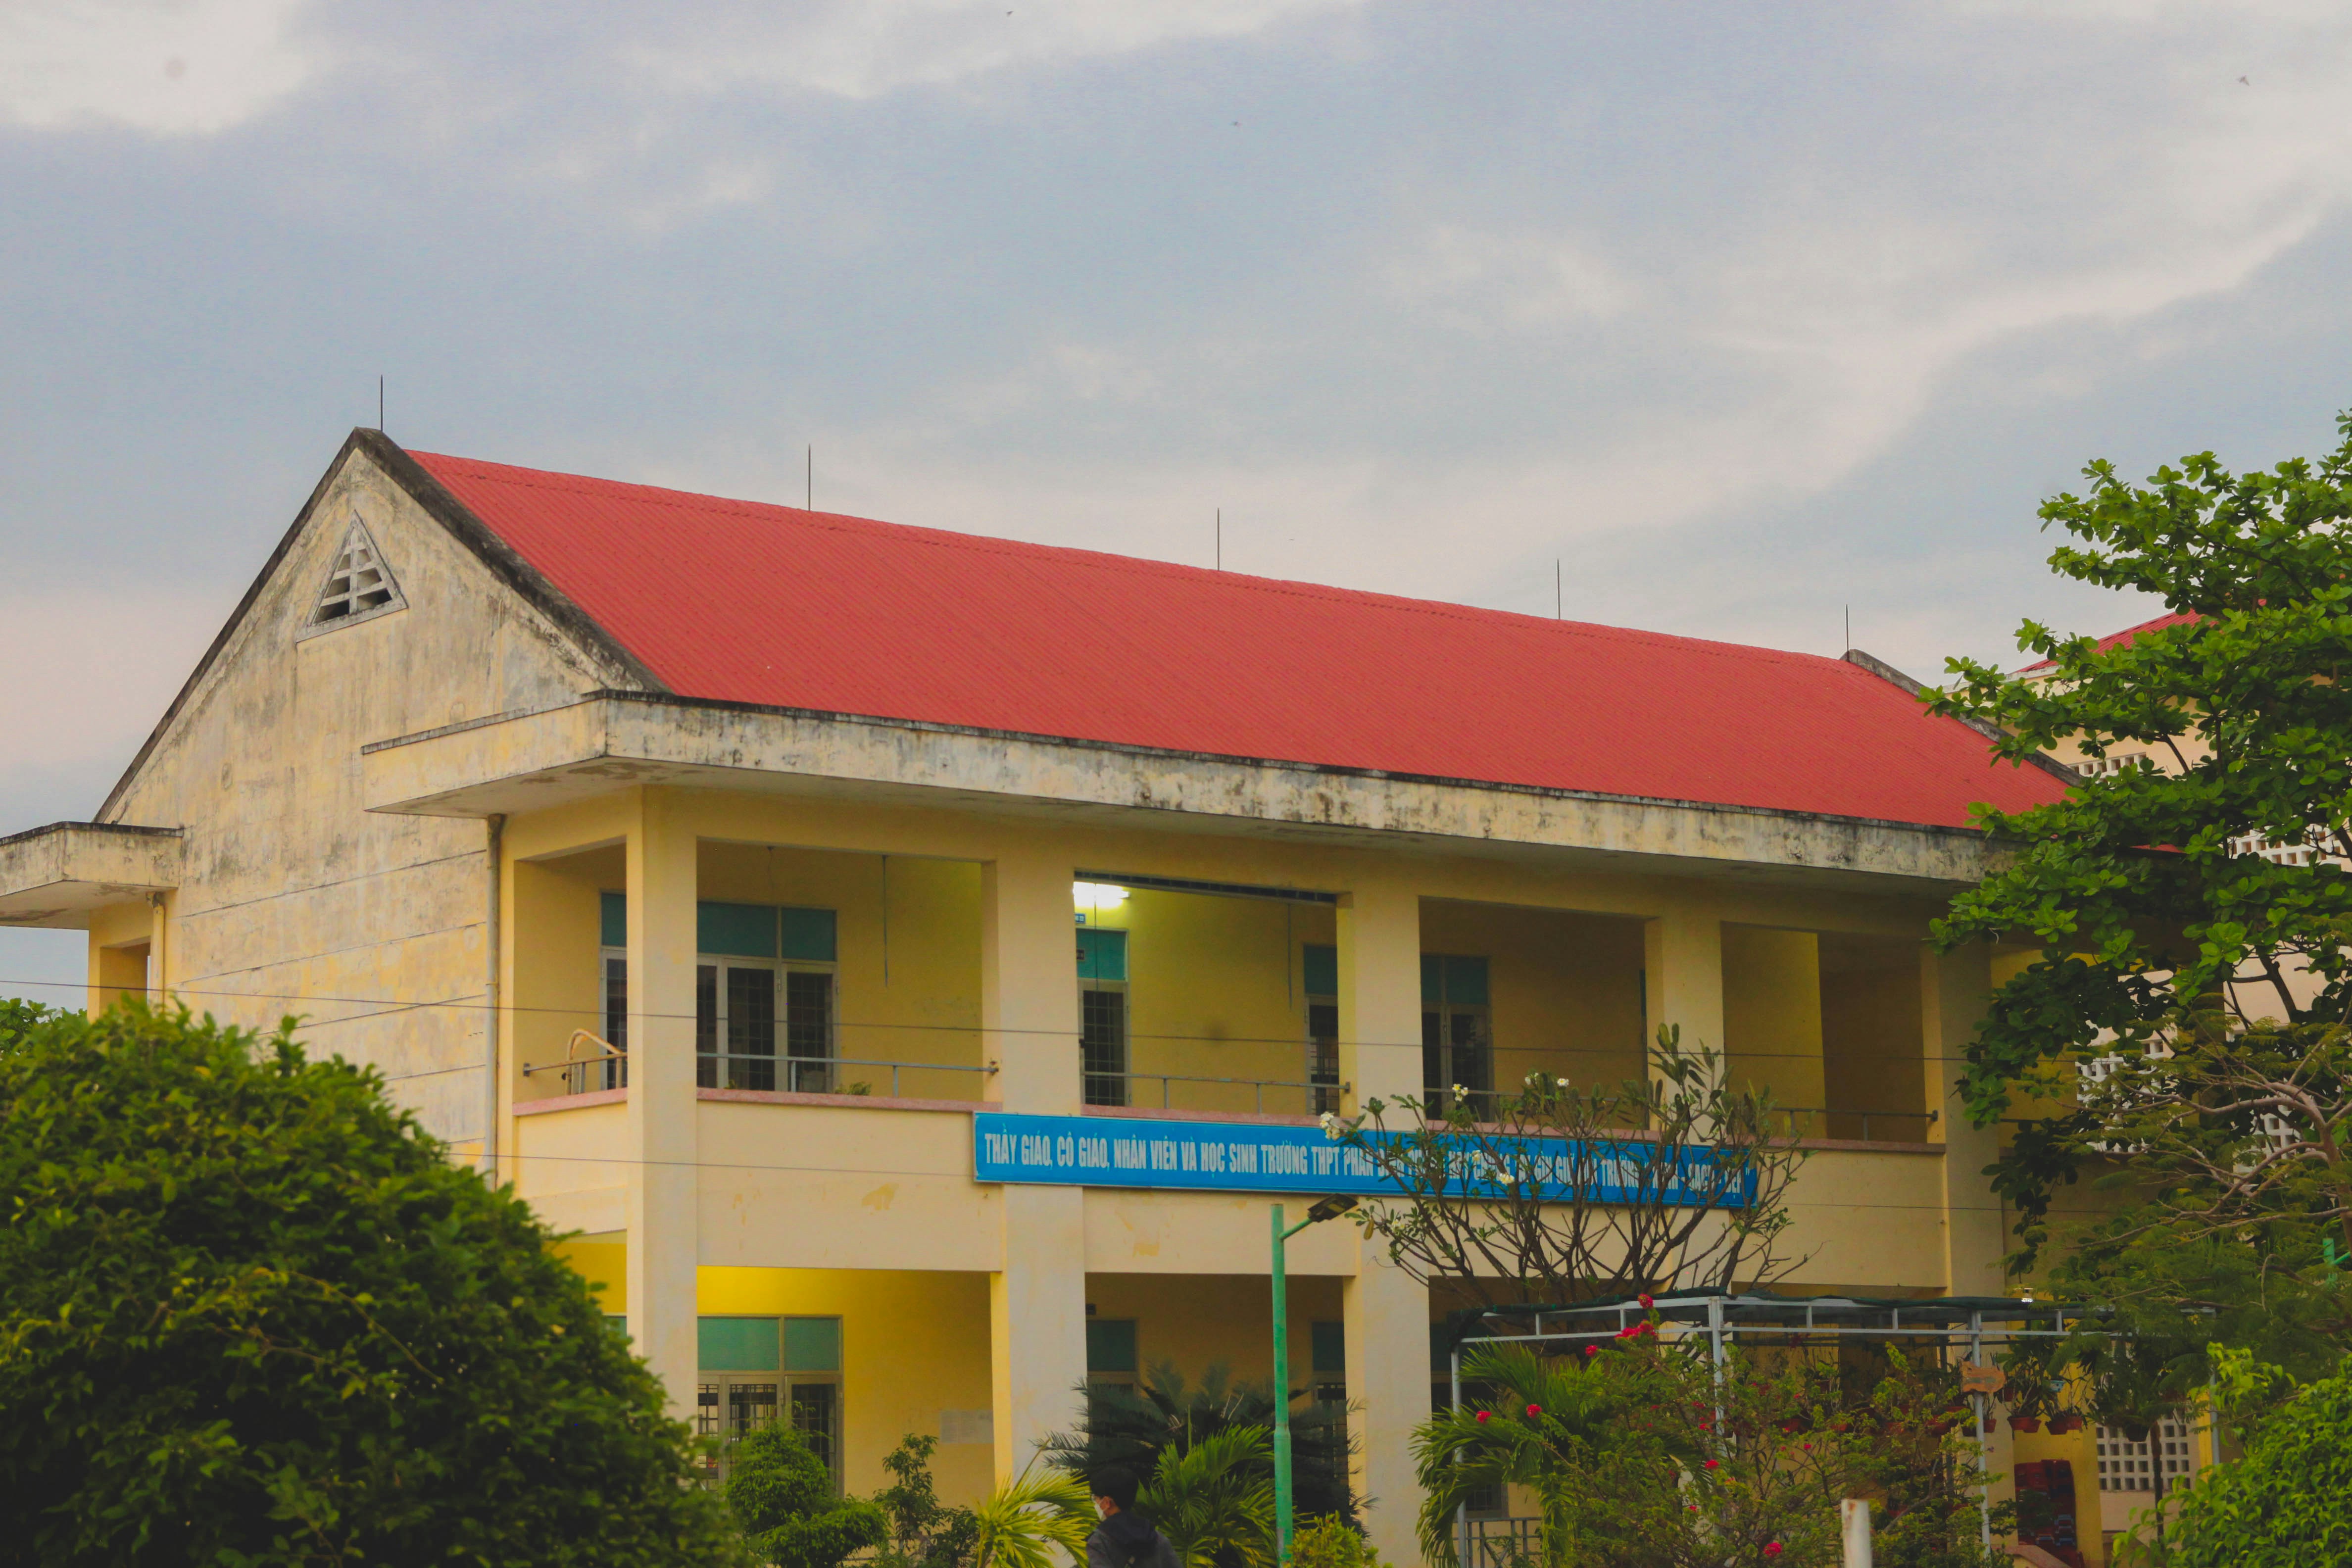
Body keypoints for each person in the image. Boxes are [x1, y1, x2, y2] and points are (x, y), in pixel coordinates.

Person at [1087, 1470, 1182, 1568]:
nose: (1095, 1503)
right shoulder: (1156, 1536)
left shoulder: (1099, 1542)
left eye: (1095, 1499)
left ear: (1107, 1502)